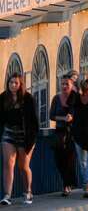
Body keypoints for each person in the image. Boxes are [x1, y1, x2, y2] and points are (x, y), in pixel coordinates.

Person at [0, 72, 37, 205]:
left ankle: (28, 191)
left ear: (20, 84)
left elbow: (34, 122)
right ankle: (7, 195)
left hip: (25, 135)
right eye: (11, 82)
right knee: (8, 163)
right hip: (8, 133)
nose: (13, 85)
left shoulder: (28, 99)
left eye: (16, 83)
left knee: (23, 166)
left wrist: (31, 141)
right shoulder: (3, 97)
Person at [50, 74, 78, 197]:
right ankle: (69, 183)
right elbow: (51, 116)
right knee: (59, 160)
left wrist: (72, 118)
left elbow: (82, 114)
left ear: (72, 85)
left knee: (69, 160)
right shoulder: (56, 98)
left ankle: (66, 186)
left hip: (72, 133)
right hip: (59, 133)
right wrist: (63, 118)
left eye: (67, 84)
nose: (64, 86)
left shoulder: (76, 98)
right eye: (62, 84)